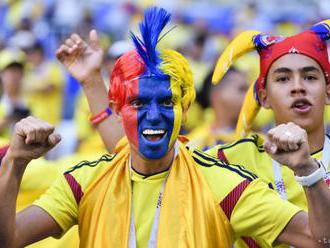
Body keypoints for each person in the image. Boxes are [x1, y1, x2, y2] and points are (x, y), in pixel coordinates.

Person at [2, 7, 330, 247]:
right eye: (140, 104)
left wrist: (307, 171)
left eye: (167, 102)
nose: (155, 115)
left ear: (185, 109)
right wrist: (15, 164)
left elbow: (319, 240)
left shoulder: (220, 181)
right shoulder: (86, 181)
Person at [206, 20, 330, 247]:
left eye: (310, 77)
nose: (297, 87)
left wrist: (307, 171)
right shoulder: (229, 158)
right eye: (283, 79)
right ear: (263, 97)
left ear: (328, 91)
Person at [188, 67, 248, 150]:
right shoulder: (195, 144)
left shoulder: (261, 139)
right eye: (242, 89)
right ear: (216, 96)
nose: (250, 96)